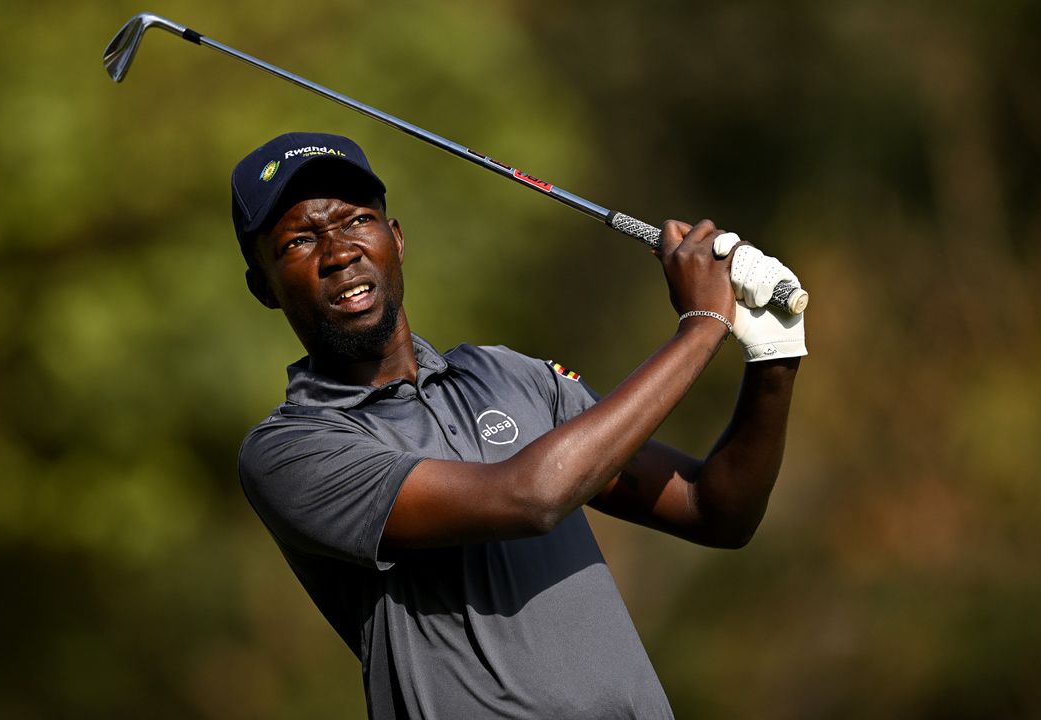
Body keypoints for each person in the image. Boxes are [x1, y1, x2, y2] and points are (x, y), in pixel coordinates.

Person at [233, 131, 805, 719]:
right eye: (299, 241)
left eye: (356, 220)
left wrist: (773, 361)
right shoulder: (291, 451)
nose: (339, 251)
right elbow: (532, 498)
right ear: (263, 289)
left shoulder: (511, 375)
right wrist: (704, 323)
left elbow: (716, 511)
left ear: (396, 239)